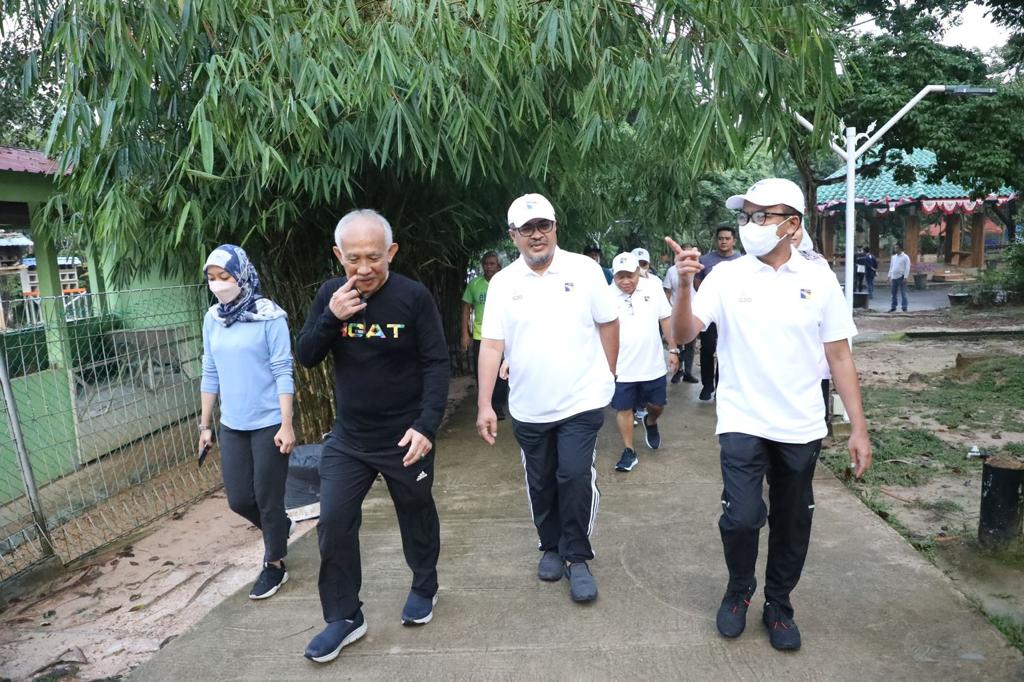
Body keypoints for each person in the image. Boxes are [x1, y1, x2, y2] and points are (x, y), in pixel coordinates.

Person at [667, 178, 872, 652]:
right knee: (741, 518)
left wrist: (858, 428)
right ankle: (739, 590)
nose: (749, 225)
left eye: (762, 215)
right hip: (742, 419)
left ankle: (778, 604)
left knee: (792, 520)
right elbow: (683, 334)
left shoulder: (818, 279)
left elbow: (839, 356)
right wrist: (684, 286)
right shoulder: (726, 277)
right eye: (746, 215)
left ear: (791, 224)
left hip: (800, 422)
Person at [296, 209, 449, 663]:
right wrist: (330, 316)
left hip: (405, 436)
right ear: (338, 255)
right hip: (349, 439)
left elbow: (436, 364)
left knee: (416, 512)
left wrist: (426, 426)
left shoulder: (414, 297)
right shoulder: (331, 295)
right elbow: (306, 355)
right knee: (334, 522)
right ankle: (344, 617)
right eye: (354, 258)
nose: (364, 269)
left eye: (374, 257)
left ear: (391, 253)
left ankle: (424, 584)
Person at [476, 193, 619, 604]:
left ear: (555, 228)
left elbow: (609, 323)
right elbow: (492, 345)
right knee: (540, 481)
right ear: (513, 235)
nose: (536, 235)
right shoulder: (503, 284)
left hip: (580, 400)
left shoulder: (585, 270)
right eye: (527, 228)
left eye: (543, 226)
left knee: (573, 476)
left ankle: (577, 555)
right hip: (529, 405)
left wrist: (608, 374)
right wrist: (485, 404)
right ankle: (550, 546)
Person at [199, 244, 296, 600]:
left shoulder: (270, 317)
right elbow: (210, 370)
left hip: (269, 421)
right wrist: (205, 425)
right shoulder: (213, 319)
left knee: (268, 498)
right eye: (212, 278)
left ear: (241, 275)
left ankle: (275, 565)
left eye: (224, 276)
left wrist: (287, 423)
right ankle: (280, 528)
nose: (218, 284)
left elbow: (283, 370)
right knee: (240, 499)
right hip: (233, 424)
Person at [608, 252, 678, 472]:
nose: (625, 281)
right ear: (613, 275)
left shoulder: (653, 289)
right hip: (622, 367)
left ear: (638, 272)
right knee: (623, 409)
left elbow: (665, 319)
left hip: (652, 365)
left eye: (629, 275)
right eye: (620, 276)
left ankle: (651, 421)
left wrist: (673, 349)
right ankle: (629, 450)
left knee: (657, 405)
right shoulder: (605, 295)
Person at [694, 225, 742, 401]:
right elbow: (697, 282)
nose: (724, 241)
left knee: (726, 349)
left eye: (727, 238)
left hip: (731, 313)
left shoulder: (741, 261)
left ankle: (721, 386)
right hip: (710, 312)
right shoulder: (705, 260)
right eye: (720, 238)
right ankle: (707, 385)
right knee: (707, 348)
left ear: (733, 241)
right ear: (716, 240)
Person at [461, 251, 508, 419]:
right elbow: (466, 308)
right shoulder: (474, 284)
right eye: (486, 264)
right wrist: (465, 333)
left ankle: (498, 406)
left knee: (502, 372)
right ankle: (485, 404)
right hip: (480, 335)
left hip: (502, 334)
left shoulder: (505, 284)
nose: (489, 267)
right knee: (481, 371)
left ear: (498, 266)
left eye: (492, 264)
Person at [663, 247, 698, 384]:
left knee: (690, 344)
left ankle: (688, 372)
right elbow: (668, 291)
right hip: (675, 311)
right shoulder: (672, 271)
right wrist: (667, 310)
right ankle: (678, 371)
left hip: (693, 311)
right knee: (677, 343)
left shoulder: (698, 269)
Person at [888, 242, 911, 312]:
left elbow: (907, 267)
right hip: (894, 277)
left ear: (900, 248)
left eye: (897, 248)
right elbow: (891, 267)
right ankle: (893, 307)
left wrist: (905, 277)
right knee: (893, 293)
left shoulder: (905, 257)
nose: (895, 249)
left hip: (901, 277)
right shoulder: (893, 257)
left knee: (903, 293)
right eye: (895, 248)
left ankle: (904, 307)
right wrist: (889, 275)